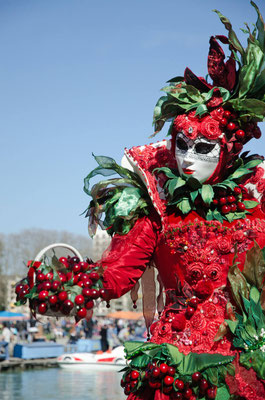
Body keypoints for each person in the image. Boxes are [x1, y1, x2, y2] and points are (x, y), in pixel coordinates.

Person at [81, 3, 265, 399]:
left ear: (228, 149)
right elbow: (118, 271)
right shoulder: (156, 201)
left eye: (202, 147)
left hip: (246, 359)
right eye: (182, 145)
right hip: (175, 363)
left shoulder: (257, 197)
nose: (187, 158)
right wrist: (77, 284)